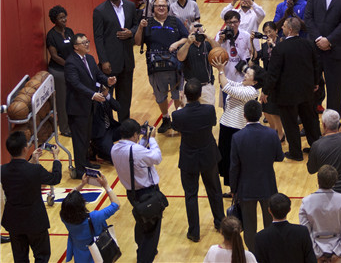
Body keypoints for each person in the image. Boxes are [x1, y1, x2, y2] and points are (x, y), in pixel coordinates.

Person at [171, 78, 225, 242]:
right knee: (214, 190)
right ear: (200, 94)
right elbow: (213, 123)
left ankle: (194, 232)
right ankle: (220, 222)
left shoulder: (178, 114)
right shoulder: (209, 110)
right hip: (208, 155)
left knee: (190, 195)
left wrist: (181, 105)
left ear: (184, 95)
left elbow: (177, 128)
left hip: (189, 158)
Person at [307, 110, 341, 263]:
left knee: (329, 231)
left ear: (323, 125)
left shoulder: (317, 145)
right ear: (339, 124)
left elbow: (311, 169)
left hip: (328, 195)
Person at [263, 17, 321, 161]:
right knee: (310, 120)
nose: (281, 28)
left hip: (286, 94)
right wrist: (316, 82)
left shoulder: (280, 49)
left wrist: (265, 91)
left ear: (289, 29)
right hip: (307, 91)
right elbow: (316, 65)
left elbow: (273, 73)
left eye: (283, 26)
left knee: (290, 124)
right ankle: (316, 149)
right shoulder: (308, 44)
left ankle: (296, 153)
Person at [230, 100, 284, 253]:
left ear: (244, 116)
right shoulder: (272, 134)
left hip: (246, 189)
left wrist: (233, 188)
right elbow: (279, 157)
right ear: (261, 115)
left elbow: (234, 167)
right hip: (268, 185)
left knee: (249, 227)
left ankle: (254, 255)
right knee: (270, 224)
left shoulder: (237, 137)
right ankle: (268, 254)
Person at [1, 131, 62, 263]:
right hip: (35, 221)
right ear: (25, 149)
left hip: (14, 221)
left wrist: (33, 160)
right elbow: (55, 178)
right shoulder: (35, 170)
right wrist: (56, 158)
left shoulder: (3, 170)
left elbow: (20, 174)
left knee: (20, 258)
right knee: (42, 256)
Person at [111, 119, 163, 263]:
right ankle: (145, 256)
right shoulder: (136, 150)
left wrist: (142, 141)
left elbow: (133, 155)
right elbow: (157, 158)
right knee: (152, 232)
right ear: (135, 134)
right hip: (148, 193)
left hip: (132, 194)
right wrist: (151, 139)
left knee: (142, 222)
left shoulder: (114, 149)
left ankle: (143, 248)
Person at [212, 57, 266, 196]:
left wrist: (222, 71)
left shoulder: (251, 93)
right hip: (226, 126)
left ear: (255, 82)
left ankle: (238, 190)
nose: (245, 74)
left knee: (235, 161)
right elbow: (225, 82)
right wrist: (220, 71)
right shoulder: (243, 85)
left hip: (236, 129)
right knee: (226, 160)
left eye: (248, 75)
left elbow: (226, 87)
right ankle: (233, 191)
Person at [65, 33, 116, 178]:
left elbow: (98, 75)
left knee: (87, 136)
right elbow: (75, 84)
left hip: (88, 106)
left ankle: (86, 163)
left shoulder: (90, 58)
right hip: (77, 108)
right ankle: (80, 170)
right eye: (83, 43)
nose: (87, 44)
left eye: (87, 41)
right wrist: (93, 95)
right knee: (79, 139)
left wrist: (108, 80)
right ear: (76, 47)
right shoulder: (70, 63)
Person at [134, 0, 188, 133]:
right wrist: (140, 27)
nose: (161, 8)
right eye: (158, 6)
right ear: (153, 9)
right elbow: (138, 42)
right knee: (160, 95)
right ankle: (165, 118)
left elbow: (186, 37)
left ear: (168, 7)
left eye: (164, 5)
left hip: (175, 65)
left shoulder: (175, 21)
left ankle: (177, 118)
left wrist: (176, 44)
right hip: (155, 67)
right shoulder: (147, 23)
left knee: (177, 94)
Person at [93, 0, 138, 122]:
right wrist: (103, 60)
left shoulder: (130, 6)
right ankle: (109, 125)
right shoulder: (99, 11)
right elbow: (98, 37)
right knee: (107, 97)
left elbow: (136, 25)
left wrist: (131, 32)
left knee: (125, 96)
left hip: (127, 60)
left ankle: (125, 125)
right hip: (110, 62)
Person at [300, 165, 341, 263]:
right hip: (339, 256)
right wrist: (338, 252)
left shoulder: (306, 202)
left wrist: (317, 254)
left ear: (317, 180)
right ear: (335, 181)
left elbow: (305, 232)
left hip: (316, 254)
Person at [60, 173, 120, 263]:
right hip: (98, 254)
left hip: (80, 256)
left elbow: (69, 197)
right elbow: (116, 205)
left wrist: (82, 184)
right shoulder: (94, 217)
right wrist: (106, 186)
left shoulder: (64, 217)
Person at [254, 193, 317, 263]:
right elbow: (311, 260)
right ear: (289, 210)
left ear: (269, 211)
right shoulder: (302, 232)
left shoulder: (260, 237)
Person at [46, 4, 75, 136]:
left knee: (73, 97)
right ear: (54, 20)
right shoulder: (51, 35)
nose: (64, 20)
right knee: (63, 100)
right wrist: (69, 65)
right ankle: (64, 128)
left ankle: (73, 122)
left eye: (65, 16)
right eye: (60, 18)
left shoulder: (69, 31)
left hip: (70, 68)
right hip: (58, 71)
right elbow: (54, 56)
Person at [177, 22, 219, 105]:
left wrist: (209, 39)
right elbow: (180, 57)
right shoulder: (185, 46)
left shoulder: (207, 44)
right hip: (190, 88)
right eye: (195, 33)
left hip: (206, 87)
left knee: (208, 114)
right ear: (190, 33)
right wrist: (188, 43)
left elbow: (219, 51)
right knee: (189, 116)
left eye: (200, 33)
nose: (198, 35)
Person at [216, 10, 254, 86]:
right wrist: (220, 40)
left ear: (239, 22)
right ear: (225, 23)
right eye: (229, 22)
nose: (232, 25)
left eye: (235, 22)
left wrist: (250, 60)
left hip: (241, 77)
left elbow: (253, 52)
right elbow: (214, 51)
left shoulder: (245, 35)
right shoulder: (220, 35)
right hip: (226, 77)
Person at [90, 85, 121, 163]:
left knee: (131, 127)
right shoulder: (90, 98)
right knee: (115, 158)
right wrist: (95, 97)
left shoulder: (105, 95)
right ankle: (95, 148)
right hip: (100, 134)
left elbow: (117, 107)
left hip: (111, 128)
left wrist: (107, 95)